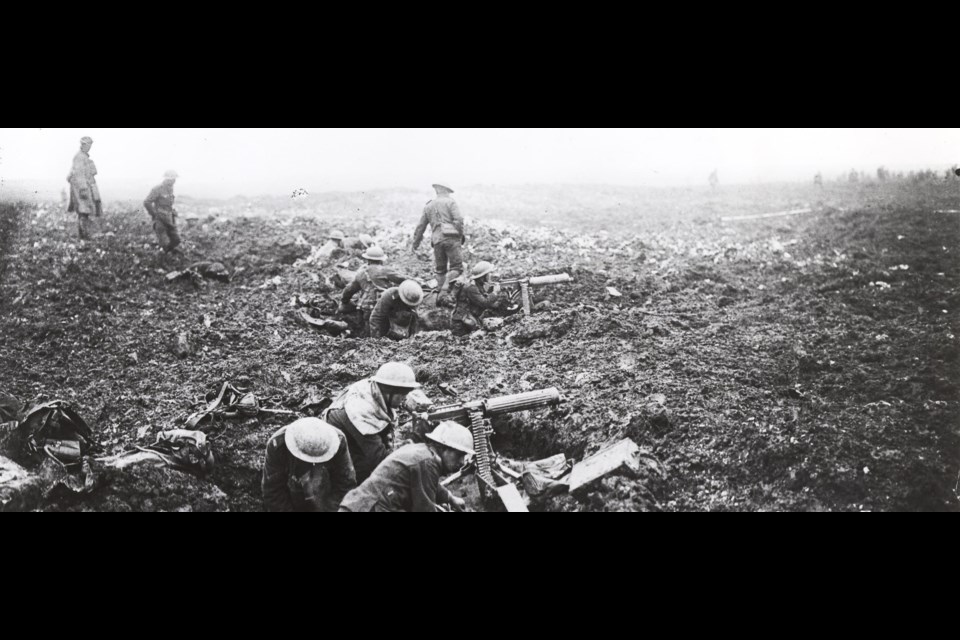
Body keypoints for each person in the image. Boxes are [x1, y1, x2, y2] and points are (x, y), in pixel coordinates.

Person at [339, 421, 472, 512]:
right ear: (444, 448)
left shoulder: (422, 453)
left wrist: (450, 498)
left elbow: (429, 485)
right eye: (459, 455)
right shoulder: (428, 462)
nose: (462, 462)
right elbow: (424, 509)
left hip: (360, 505)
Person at [323, 362, 422, 482]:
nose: (405, 398)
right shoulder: (361, 411)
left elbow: (386, 431)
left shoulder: (376, 390)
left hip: (352, 434)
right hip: (334, 448)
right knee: (364, 470)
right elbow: (380, 459)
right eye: (402, 394)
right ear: (389, 391)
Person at [261, 418, 356, 512]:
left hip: (325, 498)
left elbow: (345, 485)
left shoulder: (337, 441)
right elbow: (273, 492)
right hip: (292, 498)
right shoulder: (278, 445)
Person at [412, 183, 464, 305]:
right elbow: (459, 220)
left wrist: (415, 244)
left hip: (437, 241)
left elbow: (420, 227)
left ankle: (440, 298)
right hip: (451, 239)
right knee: (456, 268)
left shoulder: (428, 206)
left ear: (436, 191)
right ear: (446, 191)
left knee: (440, 270)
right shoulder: (450, 202)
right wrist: (459, 235)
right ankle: (445, 291)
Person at [339, 245, 408, 336]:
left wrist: (344, 301)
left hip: (365, 308)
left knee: (367, 333)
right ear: (381, 260)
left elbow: (349, 290)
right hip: (383, 306)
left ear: (367, 260)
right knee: (384, 330)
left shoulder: (361, 274)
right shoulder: (385, 271)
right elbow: (404, 279)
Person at [451, 261, 510, 336]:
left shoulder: (479, 285)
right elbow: (484, 303)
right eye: (489, 273)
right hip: (461, 325)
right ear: (483, 276)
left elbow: (491, 304)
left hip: (469, 321)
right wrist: (495, 293)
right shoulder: (471, 287)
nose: (491, 275)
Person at [66, 136, 102, 240]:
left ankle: (84, 234)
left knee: (85, 211)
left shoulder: (84, 157)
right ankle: (84, 235)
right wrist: (83, 189)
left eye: (90, 145)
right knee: (83, 211)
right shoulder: (79, 157)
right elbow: (79, 175)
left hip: (85, 187)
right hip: (82, 189)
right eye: (87, 145)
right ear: (83, 145)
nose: (89, 147)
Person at [144, 170, 182, 254]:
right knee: (164, 242)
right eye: (171, 179)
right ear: (166, 179)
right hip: (160, 219)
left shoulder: (170, 189)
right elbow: (147, 202)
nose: (173, 181)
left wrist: (173, 212)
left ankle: (167, 252)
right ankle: (163, 256)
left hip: (169, 218)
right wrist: (154, 214)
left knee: (176, 240)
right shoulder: (157, 189)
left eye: (174, 179)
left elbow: (168, 205)